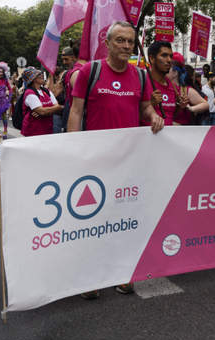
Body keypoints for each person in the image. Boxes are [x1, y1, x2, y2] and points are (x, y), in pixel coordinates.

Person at [67, 21, 164, 297]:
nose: (125, 46)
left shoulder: (141, 76)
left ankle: (122, 272)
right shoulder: (91, 71)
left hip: (128, 160)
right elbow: (76, 111)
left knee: (125, 216)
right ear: (107, 43)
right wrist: (73, 148)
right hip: (94, 159)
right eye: (119, 40)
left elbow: (144, 107)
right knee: (92, 218)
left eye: (129, 42)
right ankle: (89, 277)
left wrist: (153, 116)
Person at [21, 67, 62, 136]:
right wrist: (56, 108)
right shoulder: (29, 93)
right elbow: (42, 111)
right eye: (38, 75)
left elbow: (56, 106)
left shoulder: (46, 91)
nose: (42, 76)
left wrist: (46, 111)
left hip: (47, 129)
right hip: (33, 131)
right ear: (32, 79)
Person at [145, 40, 178, 125]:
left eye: (171, 56)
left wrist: (181, 106)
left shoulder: (173, 87)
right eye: (164, 55)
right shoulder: (141, 82)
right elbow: (131, 113)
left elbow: (172, 115)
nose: (169, 60)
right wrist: (150, 104)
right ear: (152, 58)